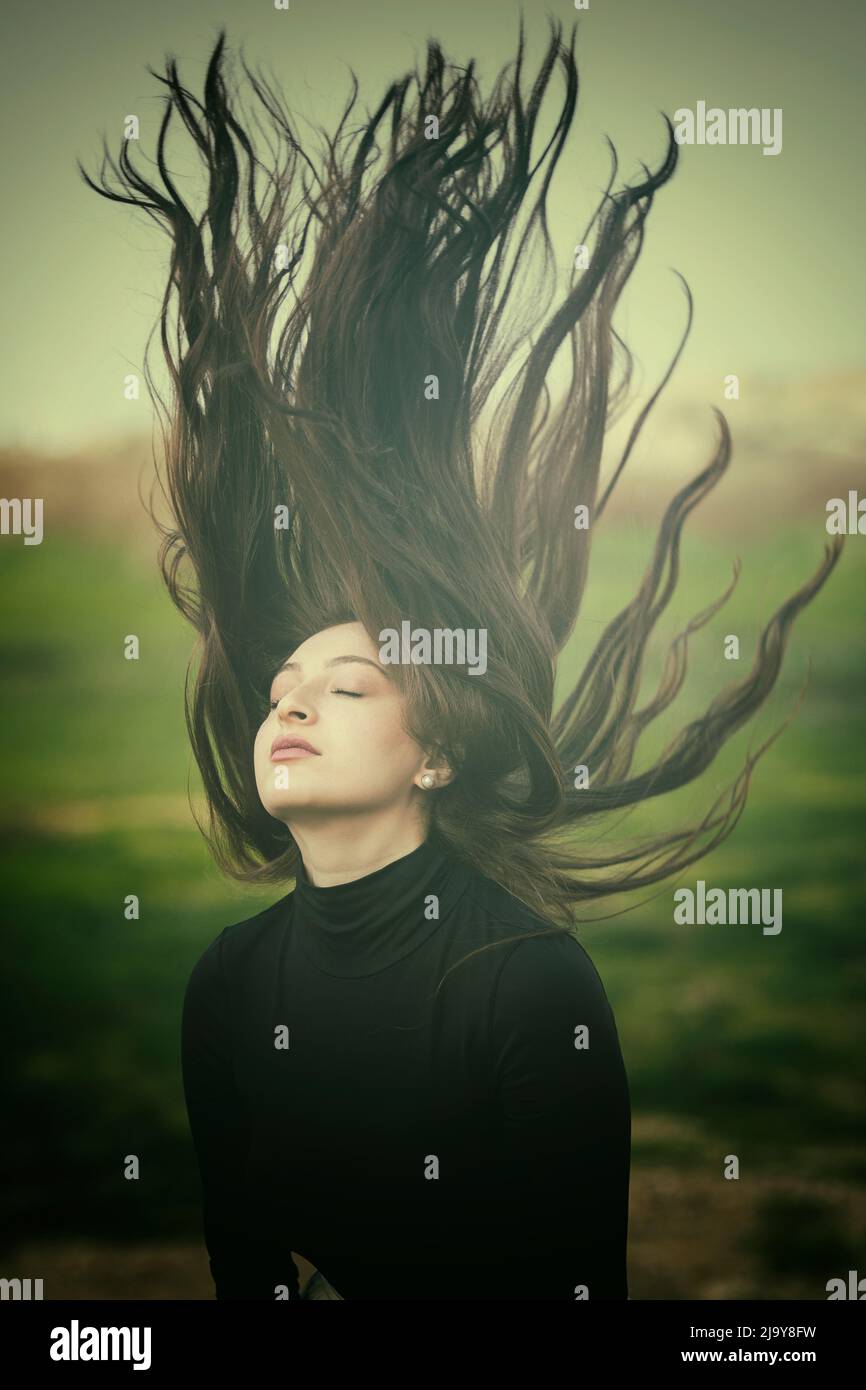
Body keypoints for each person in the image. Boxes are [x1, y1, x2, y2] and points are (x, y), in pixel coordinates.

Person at [80, 18, 841, 1299]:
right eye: (283, 690)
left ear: (435, 749)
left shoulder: (529, 989)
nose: (291, 705)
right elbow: (246, 1278)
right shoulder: (227, 986)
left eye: (346, 686)